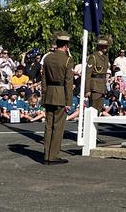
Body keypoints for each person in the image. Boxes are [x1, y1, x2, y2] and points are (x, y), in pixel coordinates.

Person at [41, 31, 74, 165]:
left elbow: (43, 79)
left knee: (49, 126)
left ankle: (47, 154)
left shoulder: (48, 58)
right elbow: (68, 82)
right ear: (66, 45)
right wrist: (68, 101)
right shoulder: (67, 59)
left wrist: (44, 95)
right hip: (60, 93)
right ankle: (53, 156)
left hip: (49, 93)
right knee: (58, 127)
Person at [86, 35, 110, 113]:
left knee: (99, 109)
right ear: (99, 47)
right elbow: (88, 74)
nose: (106, 48)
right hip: (95, 86)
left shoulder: (105, 58)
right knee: (93, 108)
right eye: (104, 46)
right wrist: (87, 89)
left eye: (106, 46)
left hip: (102, 86)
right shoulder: (93, 57)